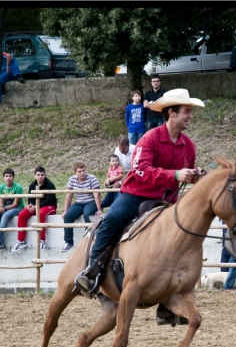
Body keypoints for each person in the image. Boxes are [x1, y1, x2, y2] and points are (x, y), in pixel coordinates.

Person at [75, 88, 205, 298]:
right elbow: (140, 170)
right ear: (171, 113)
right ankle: (92, 272)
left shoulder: (188, 146)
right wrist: (174, 175)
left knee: (183, 234)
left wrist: (194, 174)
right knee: (113, 219)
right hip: (136, 195)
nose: (190, 115)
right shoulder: (149, 139)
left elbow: (184, 172)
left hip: (166, 201)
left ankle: (174, 285)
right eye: (186, 111)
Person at [12, 166, 58, 252]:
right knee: (22, 215)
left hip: (50, 206)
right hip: (37, 206)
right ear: (35, 176)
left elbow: (49, 200)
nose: (40, 177)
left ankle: (42, 240)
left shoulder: (50, 185)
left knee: (41, 214)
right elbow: (31, 199)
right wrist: (31, 206)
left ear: (45, 175)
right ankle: (21, 241)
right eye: (38, 175)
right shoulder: (32, 185)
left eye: (42, 175)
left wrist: (36, 207)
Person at [61, 161, 102, 252]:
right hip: (79, 202)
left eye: (83, 171)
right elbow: (69, 196)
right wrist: (65, 210)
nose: (82, 173)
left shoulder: (92, 178)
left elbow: (97, 195)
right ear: (75, 172)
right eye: (79, 171)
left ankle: (88, 240)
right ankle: (68, 242)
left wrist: (99, 209)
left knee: (87, 214)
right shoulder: (72, 179)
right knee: (68, 216)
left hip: (91, 201)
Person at [0, 168, 24, 253]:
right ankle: (0, 243)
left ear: (13, 177)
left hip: (17, 208)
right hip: (5, 207)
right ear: (3, 178)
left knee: (5, 215)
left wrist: (4, 209)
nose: (8, 178)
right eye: (6, 176)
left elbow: (16, 203)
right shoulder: (1, 187)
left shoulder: (18, 187)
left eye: (10, 176)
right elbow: (1, 202)